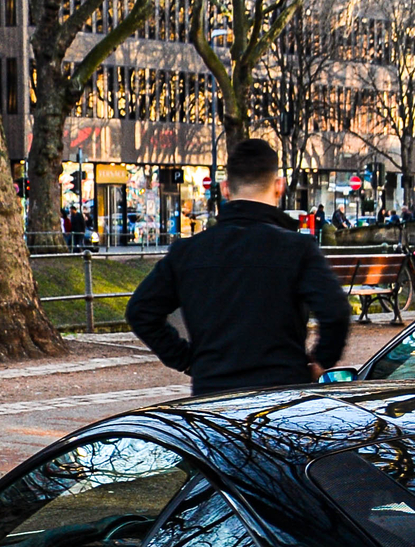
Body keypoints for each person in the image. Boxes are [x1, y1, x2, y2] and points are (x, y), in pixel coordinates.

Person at [127, 138, 353, 396]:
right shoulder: (297, 249)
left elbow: (140, 310)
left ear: (225, 189)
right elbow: (335, 311)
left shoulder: (187, 252)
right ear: (278, 187)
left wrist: (188, 360)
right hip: (282, 395)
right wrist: (320, 361)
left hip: (212, 398)